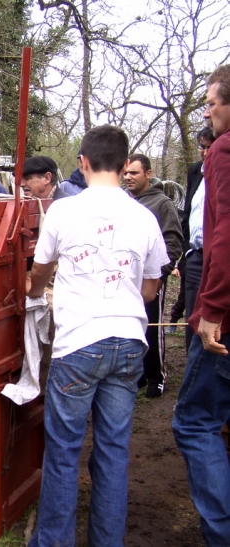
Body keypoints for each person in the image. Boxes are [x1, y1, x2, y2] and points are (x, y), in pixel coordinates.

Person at [27, 125, 168, 547]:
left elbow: (39, 271)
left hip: (78, 346)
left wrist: (36, 293)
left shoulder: (64, 211)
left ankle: (54, 542)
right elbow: (151, 285)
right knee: (112, 451)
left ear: (82, 163)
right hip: (128, 344)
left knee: (65, 451)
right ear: (126, 166)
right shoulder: (144, 216)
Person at [172, 63, 230, 547]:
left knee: (193, 421)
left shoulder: (225, 151)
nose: (207, 112)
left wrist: (210, 309)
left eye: (212, 103)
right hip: (200, 272)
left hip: (224, 314)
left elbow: (226, 234)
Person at [124, 153, 183, 397]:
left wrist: (159, 276)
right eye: (125, 173)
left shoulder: (161, 204)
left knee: (151, 326)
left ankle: (156, 376)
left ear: (148, 174)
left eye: (134, 173)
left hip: (152, 279)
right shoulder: (123, 202)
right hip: (125, 279)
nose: (128, 177)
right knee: (131, 327)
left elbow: (174, 242)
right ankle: (137, 375)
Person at [172, 127, 216, 350]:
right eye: (202, 147)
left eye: (210, 146)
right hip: (195, 255)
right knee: (193, 315)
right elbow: (189, 214)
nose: (205, 152)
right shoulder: (195, 171)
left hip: (217, 256)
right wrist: (185, 255)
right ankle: (193, 363)